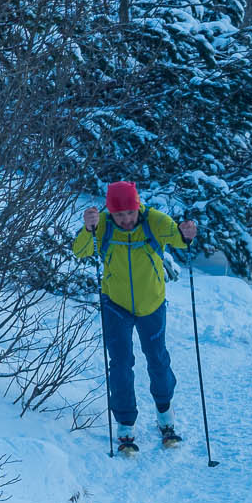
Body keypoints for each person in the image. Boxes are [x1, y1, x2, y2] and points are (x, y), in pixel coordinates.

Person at [73, 182, 197, 454]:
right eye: (120, 215)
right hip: (115, 305)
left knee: (157, 359)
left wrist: (187, 233)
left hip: (151, 304)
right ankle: (125, 424)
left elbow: (179, 239)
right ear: (111, 213)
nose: (126, 220)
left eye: (130, 213)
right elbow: (80, 251)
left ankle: (165, 416)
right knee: (120, 363)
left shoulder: (154, 220)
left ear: (137, 206)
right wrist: (87, 228)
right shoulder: (103, 225)